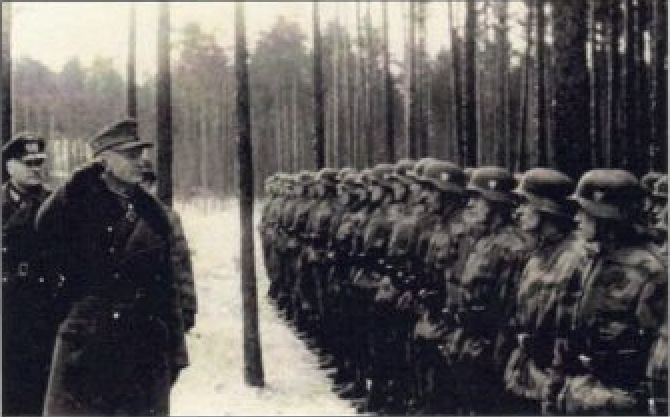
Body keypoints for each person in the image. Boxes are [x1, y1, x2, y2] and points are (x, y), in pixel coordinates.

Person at [36, 119, 186, 415]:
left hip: (143, 342)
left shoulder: (152, 212)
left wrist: (176, 346)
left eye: (141, 153)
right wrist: (74, 183)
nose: (140, 161)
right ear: (105, 160)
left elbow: (167, 283)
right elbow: (45, 226)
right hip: (89, 340)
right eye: (130, 155)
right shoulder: (79, 201)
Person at [545, 169, 666, 415]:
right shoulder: (588, 260)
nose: (577, 219)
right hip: (576, 395)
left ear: (608, 218)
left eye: (585, 212)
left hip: (619, 402)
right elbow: (566, 332)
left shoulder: (652, 271)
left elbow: (660, 354)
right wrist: (553, 391)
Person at [2, 132, 56, 415]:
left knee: (41, 389)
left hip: (42, 307)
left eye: (39, 162)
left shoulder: (54, 204)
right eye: (29, 163)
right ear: (10, 166)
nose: (36, 168)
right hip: (5, 307)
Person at [139, 158, 197, 333]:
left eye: (146, 182)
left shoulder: (167, 218)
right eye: (138, 182)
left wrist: (187, 307)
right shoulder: (111, 217)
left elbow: (181, 264)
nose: (142, 187)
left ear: (152, 185)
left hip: (159, 309)